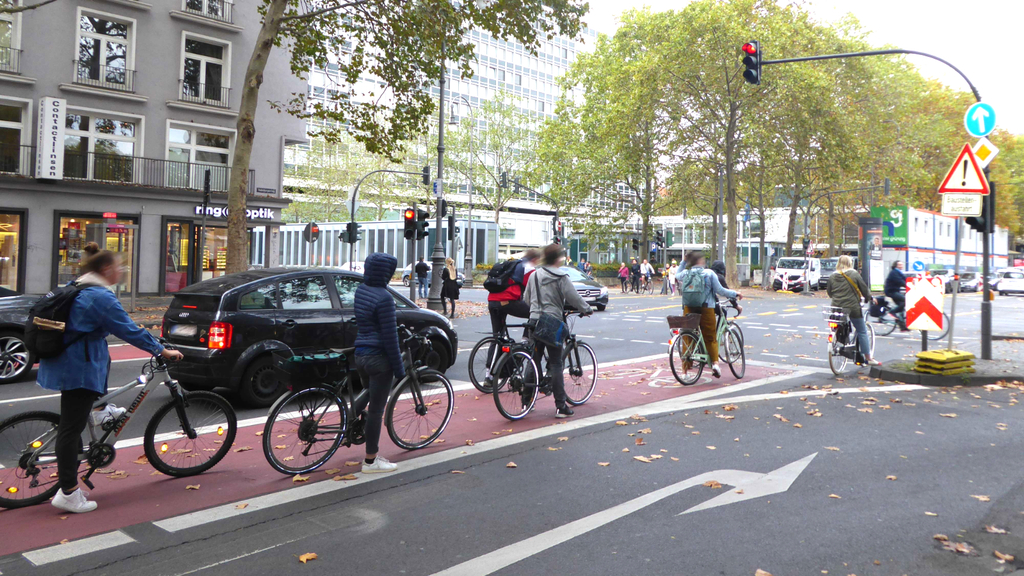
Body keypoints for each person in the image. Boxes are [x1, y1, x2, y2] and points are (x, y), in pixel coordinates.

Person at [39, 243, 183, 514]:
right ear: (106, 269)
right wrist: (162, 350)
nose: (122, 271)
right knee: (70, 429)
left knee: (73, 421)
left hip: (67, 362)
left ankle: (100, 410)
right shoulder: (100, 297)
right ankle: (68, 492)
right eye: (119, 267)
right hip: (78, 369)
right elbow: (129, 330)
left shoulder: (78, 285)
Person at [524, 244, 593, 418]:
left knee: (533, 360)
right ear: (557, 259)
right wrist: (586, 309)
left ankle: (526, 401)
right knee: (556, 363)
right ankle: (561, 406)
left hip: (534, 321)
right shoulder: (561, 277)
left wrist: (536, 308)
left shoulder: (534, 275)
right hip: (552, 322)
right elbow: (573, 297)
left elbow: (526, 298)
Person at [353, 252, 405, 474]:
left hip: (360, 354)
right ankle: (371, 461)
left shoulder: (361, 290)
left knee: (367, 392)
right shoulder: (384, 298)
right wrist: (399, 369)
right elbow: (390, 338)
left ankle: (348, 423)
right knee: (376, 410)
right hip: (378, 359)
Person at [676, 251, 743, 378]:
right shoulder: (709, 273)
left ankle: (684, 372)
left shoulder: (686, 273)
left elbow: (677, 275)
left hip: (688, 308)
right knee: (710, 337)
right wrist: (735, 293)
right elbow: (720, 291)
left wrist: (683, 262)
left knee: (688, 338)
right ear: (700, 261)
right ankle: (715, 364)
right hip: (706, 308)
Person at [827, 255, 879, 366]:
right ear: (850, 263)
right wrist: (870, 298)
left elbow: (830, 293)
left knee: (839, 324)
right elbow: (864, 289)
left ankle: (839, 342)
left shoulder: (832, 276)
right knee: (862, 331)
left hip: (837, 307)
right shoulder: (854, 274)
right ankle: (868, 358)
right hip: (852, 307)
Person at [487, 249, 542, 340]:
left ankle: (495, 348)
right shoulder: (528, 268)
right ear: (534, 259)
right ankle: (525, 339)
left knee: (497, 337)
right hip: (507, 301)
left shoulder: (513, 264)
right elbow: (533, 289)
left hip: (492, 301)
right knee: (536, 313)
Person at [884, 260, 907, 330]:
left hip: (895, 291)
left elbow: (905, 279)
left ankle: (902, 326)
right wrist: (907, 286)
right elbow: (900, 281)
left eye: (902, 264)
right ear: (896, 266)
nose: (901, 266)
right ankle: (892, 312)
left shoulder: (899, 272)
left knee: (901, 306)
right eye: (900, 265)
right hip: (891, 291)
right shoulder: (894, 272)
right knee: (905, 300)